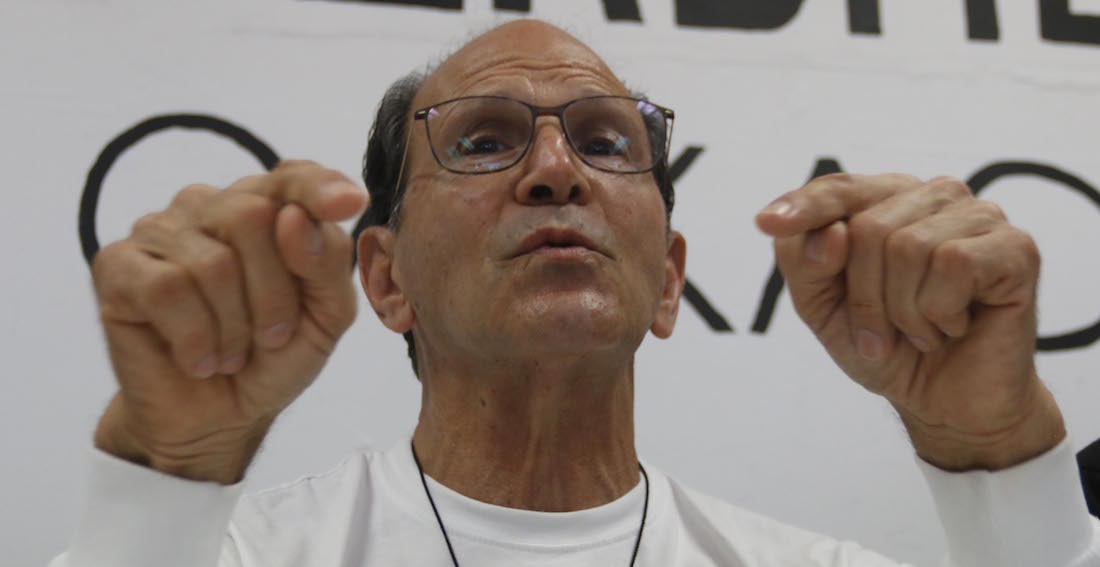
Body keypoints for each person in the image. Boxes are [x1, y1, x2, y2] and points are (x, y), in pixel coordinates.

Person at [54, 19, 1100, 567]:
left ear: (668, 280)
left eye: (605, 141)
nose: (556, 170)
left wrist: (993, 453)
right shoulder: (227, 556)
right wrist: (169, 477)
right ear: (385, 277)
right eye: (482, 140)